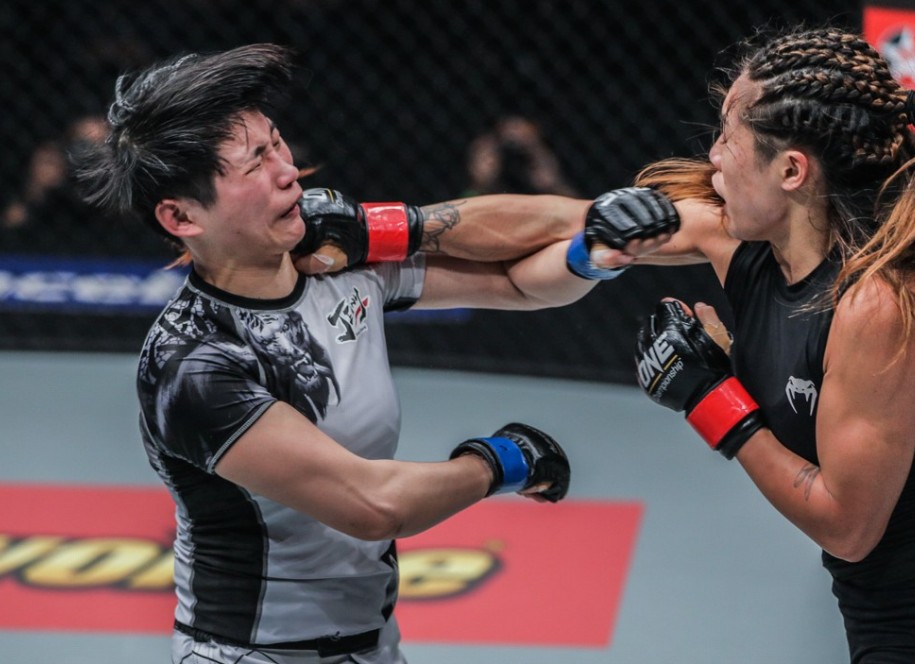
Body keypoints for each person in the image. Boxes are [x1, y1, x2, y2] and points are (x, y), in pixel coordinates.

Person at [72, 43, 677, 664]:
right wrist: (502, 460)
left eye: (277, 142)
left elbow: (517, 281)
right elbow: (372, 505)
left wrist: (592, 250)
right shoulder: (193, 362)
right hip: (249, 653)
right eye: (254, 164)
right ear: (181, 216)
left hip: (372, 643)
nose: (287, 169)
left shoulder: (333, 256)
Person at [625, 26, 915, 662]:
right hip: (878, 622)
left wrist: (711, 398)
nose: (715, 156)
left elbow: (848, 526)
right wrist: (411, 236)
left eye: (729, 137)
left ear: (790, 170)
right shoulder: (760, 254)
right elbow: (568, 231)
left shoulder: (883, 303)